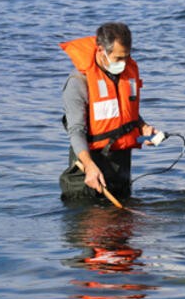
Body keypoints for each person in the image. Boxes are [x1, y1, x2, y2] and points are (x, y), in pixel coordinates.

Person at [59, 22, 158, 202]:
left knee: (123, 226)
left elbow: (126, 114)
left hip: (120, 169)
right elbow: (76, 131)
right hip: (87, 174)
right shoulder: (77, 83)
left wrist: (143, 127)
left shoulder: (126, 74)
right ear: (100, 51)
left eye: (127, 57)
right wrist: (89, 167)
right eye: (119, 58)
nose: (124, 63)